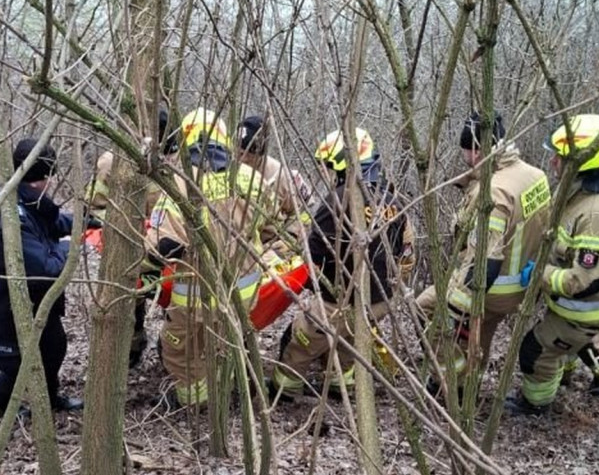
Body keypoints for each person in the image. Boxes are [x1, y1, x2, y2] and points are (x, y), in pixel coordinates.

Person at [145, 107, 282, 409]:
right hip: (243, 293)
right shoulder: (250, 179)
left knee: (180, 354)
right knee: (224, 338)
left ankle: (199, 403)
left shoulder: (178, 183)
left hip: (195, 295)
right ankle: (228, 382)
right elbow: (271, 227)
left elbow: (159, 246)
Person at [269, 128, 414, 399]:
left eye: (327, 166)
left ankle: (284, 391)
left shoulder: (337, 201)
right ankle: (341, 385)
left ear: (340, 164)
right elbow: (405, 252)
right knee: (348, 344)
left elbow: (314, 257)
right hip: (379, 299)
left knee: (297, 342)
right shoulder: (391, 200)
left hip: (338, 300)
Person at [416, 111, 552, 395]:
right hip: (522, 285)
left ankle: (451, 385)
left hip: (493, 288)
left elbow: (486, 263)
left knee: (425, 308)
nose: (464, 157)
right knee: (482, 334)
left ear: (477, 151)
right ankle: (470, 382)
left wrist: (455, 307)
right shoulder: (535, 176)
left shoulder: (493, 193)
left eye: (466, 151)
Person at [506, 114, 599, 414]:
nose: (554, 164)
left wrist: (540, 274)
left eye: (560, 158)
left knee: (536, 350)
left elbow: (585, 281)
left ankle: (536, 405)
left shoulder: (597, 216)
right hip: (598, 308)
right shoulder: (587, 192)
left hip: (589, 307)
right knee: (585, 340)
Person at [0, 137, 84, 416]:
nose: (52, 183)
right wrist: (70, 246)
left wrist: (84, 220)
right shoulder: (4, 217)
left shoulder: (26, 197)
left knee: (54, 347)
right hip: (4, 304)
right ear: (37, 178)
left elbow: (50, 221)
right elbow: (43, 270)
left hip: (36, 303)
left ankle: (49, 399)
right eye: (49, 177)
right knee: (18, 364)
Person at [84, 108, 179, 368]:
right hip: (128, 249)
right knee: (129, 302)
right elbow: (94, 207)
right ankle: (132, 346)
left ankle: (171, 347)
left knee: (178, 304)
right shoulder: (114, 161)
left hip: (170, 252)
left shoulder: (181, 163)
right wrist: (122, 227)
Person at [234, 114, 311, 262]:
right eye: (237, 151)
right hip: (237, 246)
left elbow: (304, 211)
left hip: (270, 249)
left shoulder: (281, 176)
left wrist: (291, 239)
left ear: (259, 152)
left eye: (245, 154)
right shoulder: (227, 169)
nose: (240, 158)